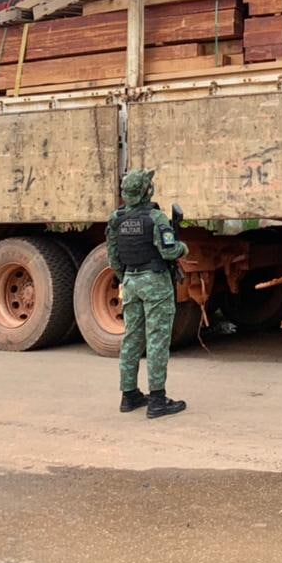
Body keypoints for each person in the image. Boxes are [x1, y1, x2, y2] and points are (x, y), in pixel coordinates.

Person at [107, 168, 188, 419]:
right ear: (145, 191)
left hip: (130, 281)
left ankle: (129, 395)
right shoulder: (156, 218)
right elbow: (168, 251)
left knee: (132, 338)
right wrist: (182, 247)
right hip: (155, 283)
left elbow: (113, 258)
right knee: (157, 340)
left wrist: (127, 277)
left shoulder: (116, 219)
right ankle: (157, 400)